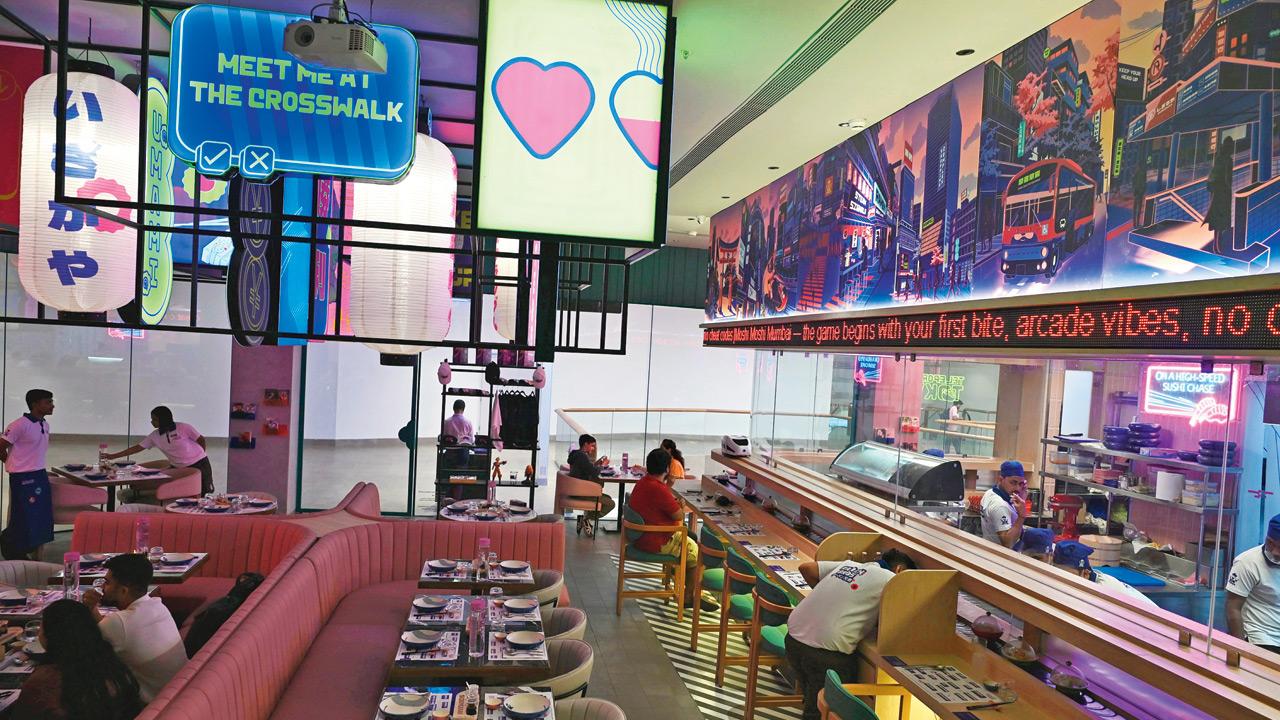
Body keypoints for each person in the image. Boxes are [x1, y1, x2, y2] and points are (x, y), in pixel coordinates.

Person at [785, 549, 918, 720]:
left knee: (815, 704)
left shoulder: (850, 565)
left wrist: (833, 601)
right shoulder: (891, 580)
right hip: (825, 651)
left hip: (793, 639)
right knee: (825, 712)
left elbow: (807, 568)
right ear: (899, 570)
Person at [8, 599, 143, 720]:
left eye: (42, 627)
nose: (39, 633)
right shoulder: (114, 667)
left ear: (52, 636)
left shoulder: (44, 683)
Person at [81, 553, 186, 702]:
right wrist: (91, 609)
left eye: (107, 583)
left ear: (124, 591)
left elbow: (79, 649)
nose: (103, 587)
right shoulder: (158, 606)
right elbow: (111, 629)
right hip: (180, 694)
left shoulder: (119, 623)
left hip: (154, 707)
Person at [626, 448, 715, 611]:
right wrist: (680, 506)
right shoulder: (658, 489)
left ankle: (681, 581)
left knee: (691, 538)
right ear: (667, 469)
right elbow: (677, 515)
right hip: (655, 540)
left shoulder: (644, 482)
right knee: (697, 550)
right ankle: (689, 597)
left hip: (641, 536)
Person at [104, 406, 213, 497]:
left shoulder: (183, 427)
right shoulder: (155, 436)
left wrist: (200, 455)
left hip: (200, 464)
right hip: (177, 467)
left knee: (202, 493)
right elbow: (137, 448)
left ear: (163, 419)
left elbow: (201, 439)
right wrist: (113, 456)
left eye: (154, 419)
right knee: (182, 493)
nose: (152, 422)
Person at [0, 389, 55, 560]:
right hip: (22, 477)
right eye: (47, 402)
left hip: (39, 474)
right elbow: (1, 445)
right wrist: (10, 462)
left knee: (39, 514)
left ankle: (30, 547)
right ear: (35, 404)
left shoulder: (44, 424)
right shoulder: (19, 425)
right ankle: (13, 550)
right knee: (23, 514)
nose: (52, 405)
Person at [1226, 514, 1280, 654]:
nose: (1275, 552)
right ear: (1268, 540)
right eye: (1271, 544)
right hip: (1262, 639)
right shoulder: (1248, 562)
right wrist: (1240, 650)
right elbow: (1233, 608)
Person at [1051, 539, 1157, 607]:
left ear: (1086, 573)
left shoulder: (1103, 593)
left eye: (1068, 576)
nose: (1062, 579)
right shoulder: (1085, 584)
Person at [564, 434, 616, 535]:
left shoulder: (577, 455)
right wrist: (603, 466)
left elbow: (588, 468)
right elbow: (594, 472)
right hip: (581, 493)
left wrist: (598, 464)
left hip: (576, 490)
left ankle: (585, 518)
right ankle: (586, 519)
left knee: (608, 498)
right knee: (611, 504)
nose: (593, 448)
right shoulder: (582, 456)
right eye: (592, 445)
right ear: (585, 444)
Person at [980, 460, 1027, 548]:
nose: (1018, 488)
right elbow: (1008, 543)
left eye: (1021, 484)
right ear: (1000, 479)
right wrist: (1021, 516)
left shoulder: (990, 492)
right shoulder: (1000, 506)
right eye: (1013, 482)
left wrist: (1021, 496)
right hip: (999, 555)